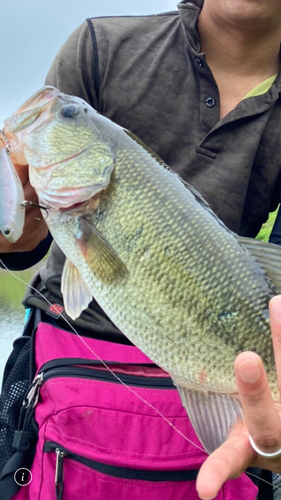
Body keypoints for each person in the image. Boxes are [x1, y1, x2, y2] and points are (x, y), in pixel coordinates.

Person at [1, 0, 281, 498]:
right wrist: (12, 212)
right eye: (71, 115)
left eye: (66, 115)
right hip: (65, 382)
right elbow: (22, 246)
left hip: (227, 390)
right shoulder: (99, 48)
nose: (56, 111)